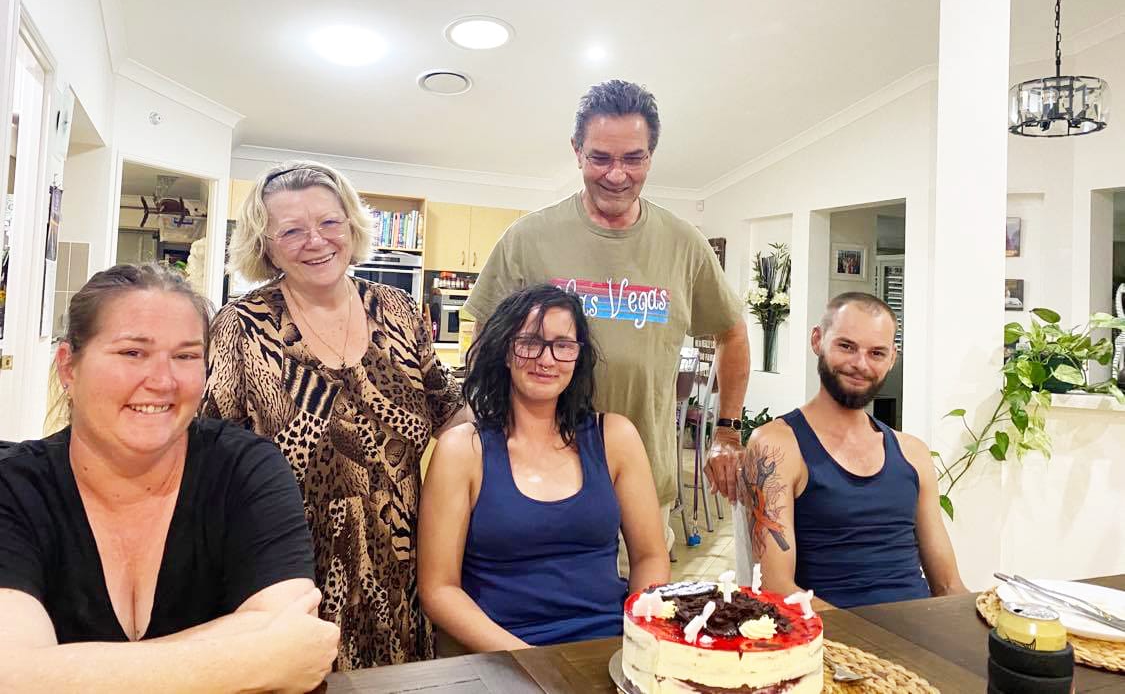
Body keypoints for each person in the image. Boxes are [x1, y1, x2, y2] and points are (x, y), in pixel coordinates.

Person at [0, 264, 338, 693]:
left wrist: (63, 673)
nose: (162, 381)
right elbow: (11, 679)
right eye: (132, 353)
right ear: (69, 367)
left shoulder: (246, 469)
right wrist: (255, 657)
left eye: (185, 356)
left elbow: (293, 630)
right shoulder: (15, 487)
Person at [464, 80, 751, 553]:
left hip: (639, 489)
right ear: (576, 151)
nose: (616, 174)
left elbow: (732, 333)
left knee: (636, 620)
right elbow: (482, 337)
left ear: (651, 156)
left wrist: (727, 429)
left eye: (633, 158)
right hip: (533, 487)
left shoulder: (683, 245)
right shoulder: (528, 238)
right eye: (600, 157)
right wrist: (484, 426)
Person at [201, 161, 464, 668]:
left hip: (401, 569)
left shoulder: (398, 309)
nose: (316, 241)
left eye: (328, 223)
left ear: (351, 226)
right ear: (266, 245)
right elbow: (212, 456)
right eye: (292, 230)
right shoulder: (240, 326)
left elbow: (450, 413)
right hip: (289, 575)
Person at [418, 285, 669, 651]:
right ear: (506, 351)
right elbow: (438, 589)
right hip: (502, 654)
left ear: (578, 357)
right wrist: (533, 664)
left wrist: (639, 635)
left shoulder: (615, 437)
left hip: (607, 644)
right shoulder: (463, 450)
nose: (546, 359)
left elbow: (650, 557)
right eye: (530, 342)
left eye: (563, 345)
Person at [743, 292, 968, 608]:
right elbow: (777, 588)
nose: (860, 364)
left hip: (919, 638)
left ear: (892, 358)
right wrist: (875, 650)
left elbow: (948, 585)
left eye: (876, 353)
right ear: (818, 341)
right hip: (833, 643)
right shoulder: (776, 446)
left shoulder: (914, 454)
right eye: (846, 346)